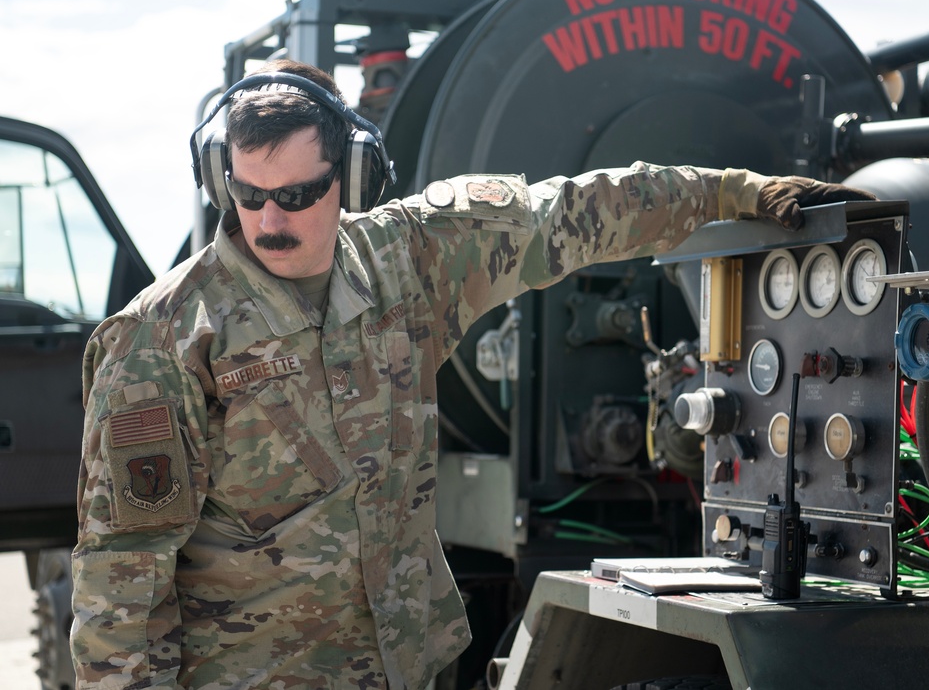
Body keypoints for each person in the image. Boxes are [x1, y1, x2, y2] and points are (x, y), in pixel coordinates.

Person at [70, 58, 874, 689]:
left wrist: (742, 193)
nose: (268, 221)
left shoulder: (411, 260)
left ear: (350, 178)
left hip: (408, 668)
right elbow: (121, 577)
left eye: (297, 194)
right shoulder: (164, 340)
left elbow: (580, 212)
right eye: (247, 195)